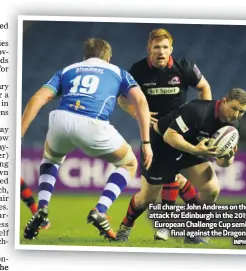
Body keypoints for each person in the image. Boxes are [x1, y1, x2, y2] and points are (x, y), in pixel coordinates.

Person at [21, 38, 153, 240]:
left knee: (51, 158)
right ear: (108, 57)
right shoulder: (118, 72)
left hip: (60, 120)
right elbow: (141, 100)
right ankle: (100, 209)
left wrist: (19, 134)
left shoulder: (67, 70)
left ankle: (43, 207)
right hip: (93, 124)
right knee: (129, 163)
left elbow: (38, 99)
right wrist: (146, 142)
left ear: (85, 56)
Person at [115, 88, 246, 244]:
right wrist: (195, 150)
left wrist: (228, 155)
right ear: (224, 101)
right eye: (234, 108)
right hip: (161, 145)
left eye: (241, 112)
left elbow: (223, 163)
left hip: (189, 149)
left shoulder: (233, 128)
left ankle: (193, 232)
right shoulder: (199, 110)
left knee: (211, 189)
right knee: (147, 198)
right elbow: (169, 136)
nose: (236, 115)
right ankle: (126, 226)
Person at [119, 28, 212, 242]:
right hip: (153, 135)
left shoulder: (184, 67)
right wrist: (136, 112)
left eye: (164, 47)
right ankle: (126, 225)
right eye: (156, 47)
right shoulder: (138, 70)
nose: (161, 51)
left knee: (177, 175)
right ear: (149, 49)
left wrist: (201, 114)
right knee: (148, 195)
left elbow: (204, 87)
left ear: (171, 49)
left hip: (180, 132)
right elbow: (123, 99)